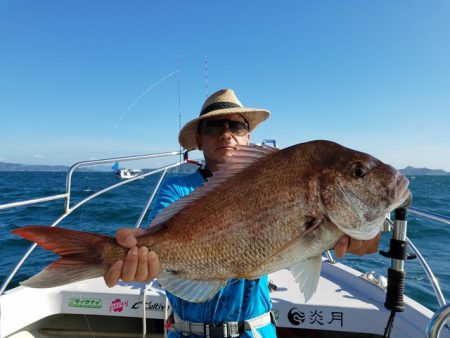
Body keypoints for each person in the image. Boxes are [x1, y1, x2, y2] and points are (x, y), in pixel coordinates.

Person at [104, 89, 381, 337]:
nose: (226, 133)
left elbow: (310, 235)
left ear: (248, 136)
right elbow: (158, 235)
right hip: (187, 332)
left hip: (254, 330)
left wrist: (363, 232)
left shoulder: (276, 181)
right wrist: (140, 255)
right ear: (199, 139)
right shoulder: (177, 187)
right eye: (213, 127)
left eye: (236, 126)